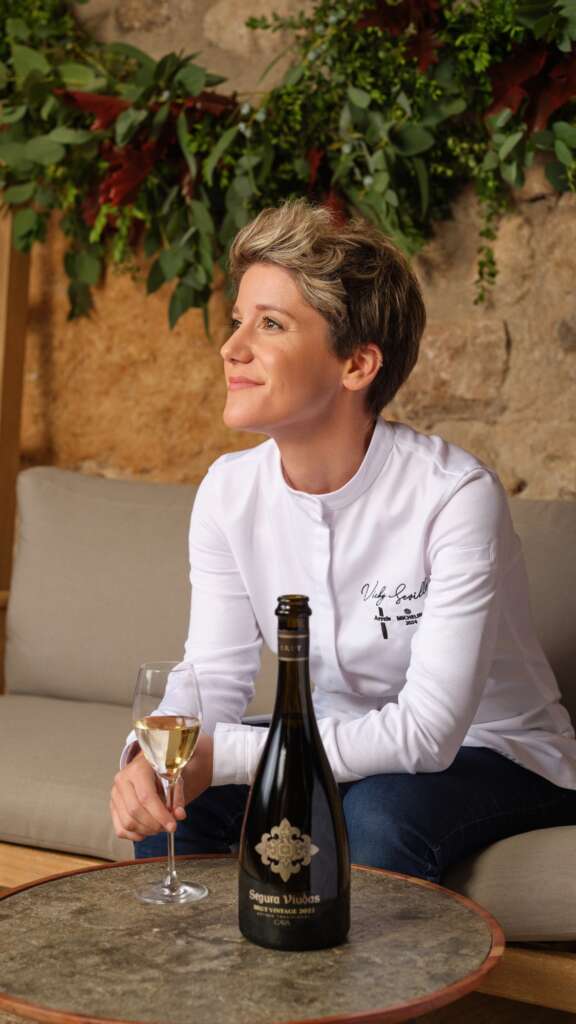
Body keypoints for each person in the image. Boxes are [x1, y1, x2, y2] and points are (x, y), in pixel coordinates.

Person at [110, 199, 576, 882]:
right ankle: (202, 957)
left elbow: (427, 732)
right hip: (330, 742)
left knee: (377, 819)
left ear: (356, 365)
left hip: (493, 750)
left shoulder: (455, 497)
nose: (232, 348)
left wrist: (223, 754)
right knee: (180, 803)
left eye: (271, 324)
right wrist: (150, 758)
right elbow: (214, 675)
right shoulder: (227, 492)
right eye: (239, 320)